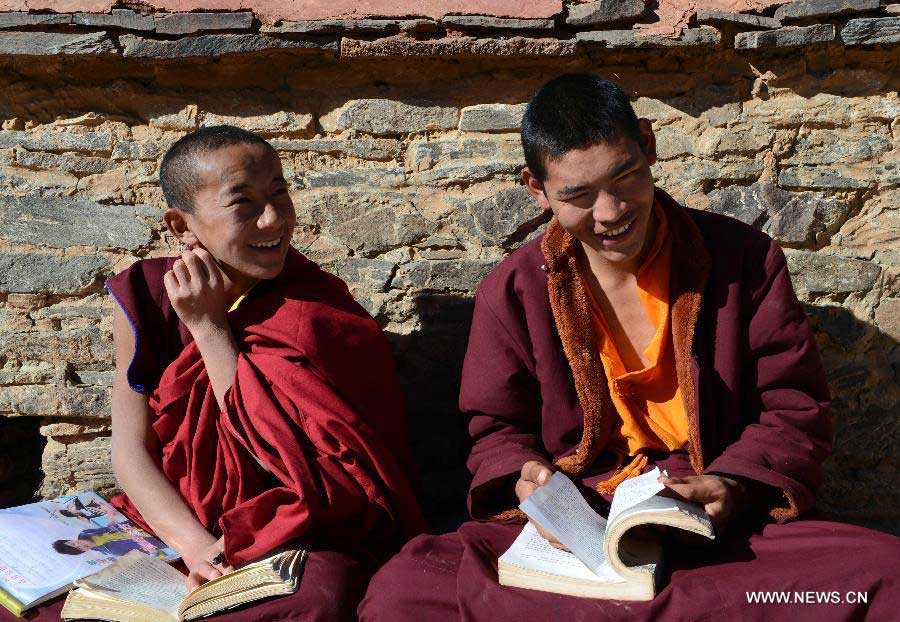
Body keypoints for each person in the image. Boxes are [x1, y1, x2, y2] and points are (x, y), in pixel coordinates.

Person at [359, 74, 900, 621]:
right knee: (405, 591)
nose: (611, 211)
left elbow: (794, 408)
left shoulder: (743, 261)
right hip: (585, 518)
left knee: (882, 576)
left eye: (625, 177)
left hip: (708, 512)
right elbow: (497, 428)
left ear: (648, 144)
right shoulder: (515, 288)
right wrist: (527, 480)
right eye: (577, 196)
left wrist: (732, 483)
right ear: (536, 189)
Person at [100, 125, 426, 620]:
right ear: (181, 225)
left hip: (294, 531)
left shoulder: (318, 313)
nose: (273, 219)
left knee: (319, 600)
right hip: (180, 528)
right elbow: (129, 448)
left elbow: (289, 462)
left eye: (279, 193)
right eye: (243, 203)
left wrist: (210, 329)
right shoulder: (148, 297)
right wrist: (194, 544)